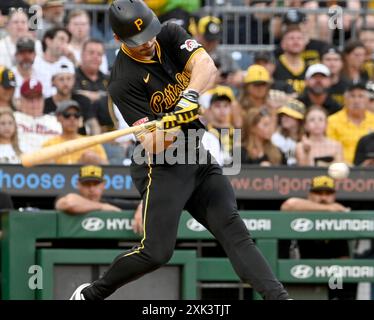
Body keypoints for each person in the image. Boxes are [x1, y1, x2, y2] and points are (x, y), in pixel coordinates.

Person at [70, 0, 289, 301]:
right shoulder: (122, 82)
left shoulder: (170, 34)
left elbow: (206, 66)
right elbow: (152, 143)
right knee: (156, 253)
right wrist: (171, 124)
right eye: (137, 40)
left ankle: (279, 298)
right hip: (161, 164)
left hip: (197, 154)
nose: (147, 43)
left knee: (235, 231)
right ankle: (92, 294)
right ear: (119, 40)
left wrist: (189, 97)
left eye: (148, 33)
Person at [280, 175, 356, 300]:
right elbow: (288, 205)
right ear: (309, 195)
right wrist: (329, 208)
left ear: (334, 196)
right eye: (318, 193)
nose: (323, 197)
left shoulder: (338, 220)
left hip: (327, 281)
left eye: (328, 193)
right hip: (295, 279)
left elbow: (343, 260)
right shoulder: (299, 209)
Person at [55, 165, 141, 218]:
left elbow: (147, 203)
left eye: (96, 184)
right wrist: (101, 207)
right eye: (87, 184)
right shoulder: (66, 197)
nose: (91, 189)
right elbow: (69, 203)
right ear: (78, 185)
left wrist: (141, 208)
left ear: (103, 185)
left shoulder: (110, 203)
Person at [42, 100, 108, 165]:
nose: (72, 119)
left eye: (76, 115)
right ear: (58, 118)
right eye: (67, 115)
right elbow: (45, 170)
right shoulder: (49, 145)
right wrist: (79, 164)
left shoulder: (92, 143)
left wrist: (96, 160)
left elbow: (108, 169)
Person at [327, 82, 374, 164]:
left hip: (369, 169)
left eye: (360, 96)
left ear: (367, 100)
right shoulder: (332, 121)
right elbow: (329, 148)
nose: (356, 101)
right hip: (341, 168)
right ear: (345, 100)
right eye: (352, 96)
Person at [14, 79, 61, 153]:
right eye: (30, 99)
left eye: (38, 99)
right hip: (18, 162)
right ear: (21, 100)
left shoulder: (56, 121)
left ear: (43, 99)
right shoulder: (12, 118)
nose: (34, 103)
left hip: (51, 162)